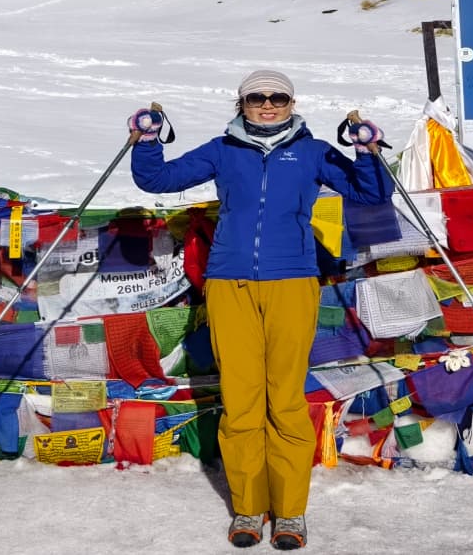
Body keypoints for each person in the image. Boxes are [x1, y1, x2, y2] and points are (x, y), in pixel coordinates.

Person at [129, 69, 393, 551]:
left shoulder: (313, 152)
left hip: (292, 281)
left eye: (277, 97)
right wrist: (147, 140)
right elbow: (158, 179)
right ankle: (249, 507)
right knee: (242, 397)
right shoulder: (222, 150)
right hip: (230, 283)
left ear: (292, 103)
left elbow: (371, 193)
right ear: (242, 103)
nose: (267, 105)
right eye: (257, 98)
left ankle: (290, 513)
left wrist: (366, 149)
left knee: (286, 400)